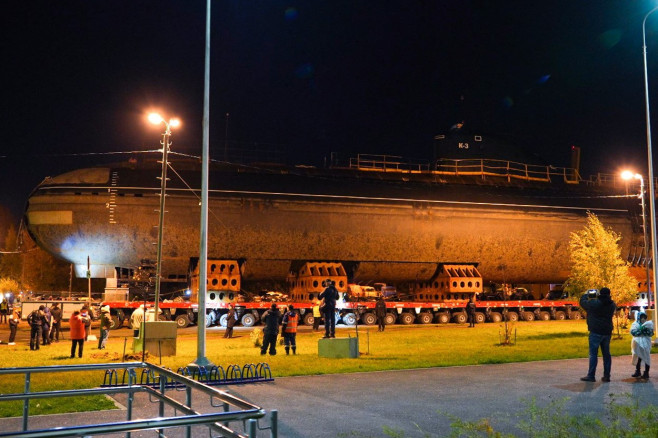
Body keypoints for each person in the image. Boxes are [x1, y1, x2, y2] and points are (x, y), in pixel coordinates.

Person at [580, 287, 616, 382]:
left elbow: (583, 302)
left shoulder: (594, 303)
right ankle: (607, 376)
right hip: (607, 332)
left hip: (595, 331)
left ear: (599, 294)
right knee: (606, 354)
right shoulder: (612, 304)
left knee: (593, 354)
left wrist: (586, 293)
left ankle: (591, 375)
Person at [631, 309, 654, 379]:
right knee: (638, 357)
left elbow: (650, 333)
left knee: (646, 357)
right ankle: (638, 371)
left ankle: (646, 372)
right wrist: (642, 330)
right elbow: (634, 332)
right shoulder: (635, 324)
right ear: (639, 318)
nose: (643, 319)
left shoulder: (648, 324)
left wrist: (641, 331)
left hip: (646, 344)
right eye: (642, 318)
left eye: (644, 318)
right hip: (637, 344)